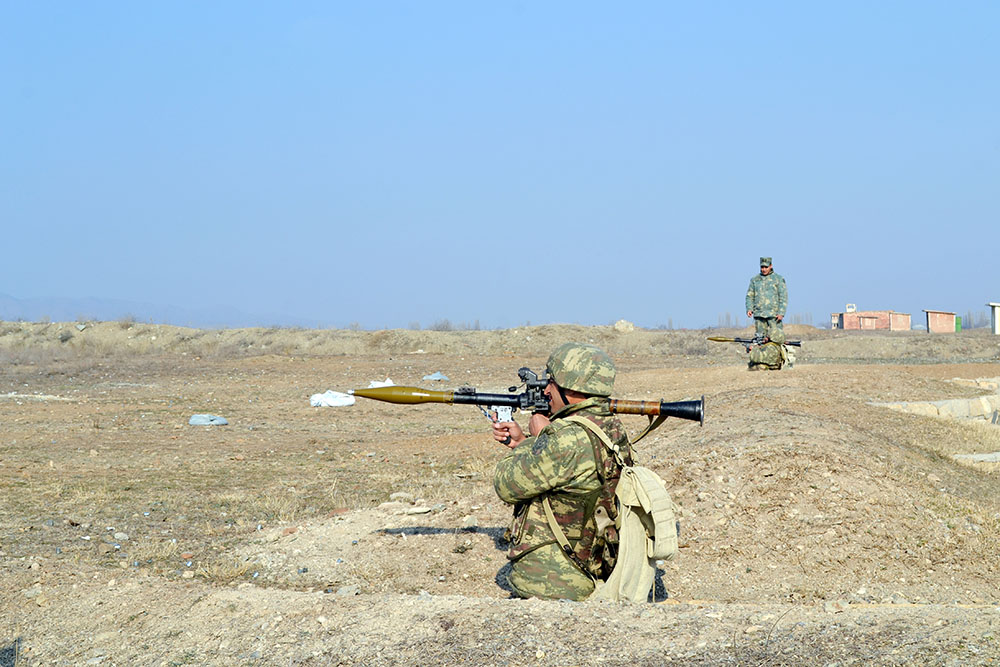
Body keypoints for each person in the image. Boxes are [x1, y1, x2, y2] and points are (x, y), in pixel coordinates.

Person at [490, 342, 633, 601]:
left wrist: (538, 440)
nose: (546, 389)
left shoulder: (566, 438)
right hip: (594, 562)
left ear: (570, 388)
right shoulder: (609, 426)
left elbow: (506, 485)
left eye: (552, 383)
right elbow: (569, 473)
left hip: (551, 581)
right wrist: (523, 443)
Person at [745, 256, 787, 341]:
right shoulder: (755, 280)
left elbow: (783, 296)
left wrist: (781, 312)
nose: (764, 269)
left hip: (774, 316)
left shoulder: (778, 279)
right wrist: (749, 308)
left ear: (771, 266)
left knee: (777, 339)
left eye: (766, 267)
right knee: (760, 340)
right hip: (759, 315)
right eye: (762, 267)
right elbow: (750, 296)